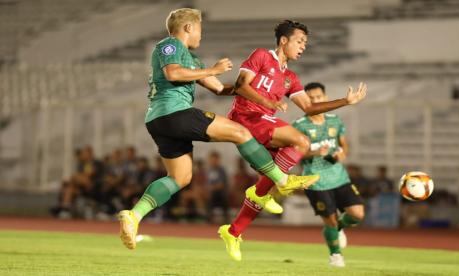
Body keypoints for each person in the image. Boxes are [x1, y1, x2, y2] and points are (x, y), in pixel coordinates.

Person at [117, 9, 317, 250]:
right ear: (189, 28)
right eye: (200, 29)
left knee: (180, 177)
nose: (202, 34)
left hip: (160, 122)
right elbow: (174, 73)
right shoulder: (170, 44)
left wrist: (248, 87)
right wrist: (213, 69)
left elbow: (220, 89)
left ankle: (134, 216)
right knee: (240, 132)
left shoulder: (193, 61)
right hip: (174, 112)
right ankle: (282, 180)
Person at [218, 20, 367, 261]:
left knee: (264, 185)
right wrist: (268, 102)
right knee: (301, 142)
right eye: (300, 41)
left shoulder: (290, 77)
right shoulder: (261, 56)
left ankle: (233, 231)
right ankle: (281, 183)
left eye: (305, 43)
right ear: (283, 40)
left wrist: (345, 101)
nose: (303, 47)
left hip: (263, 124)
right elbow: (240, 86)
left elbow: (308, 107)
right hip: (247, 118)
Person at [294, 82, 365, 267]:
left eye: (318, 97)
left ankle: (338, 228)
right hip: (316, 180)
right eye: (311, 98)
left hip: (339, 177)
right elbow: (295, 154)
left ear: (325, 98)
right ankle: (336, 256)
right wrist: (315, 152)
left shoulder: (335, 120)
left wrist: (342, 153)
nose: (315, 100)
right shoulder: (299, 126)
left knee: (357, 214)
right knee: (330, 220)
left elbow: (344, 144)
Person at [206, 151, 229, 223]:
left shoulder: (221, 171)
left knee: (214, 194)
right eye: (212, 160)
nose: (213, 162)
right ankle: (206, 217)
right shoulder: (208, 170)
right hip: (209, 192)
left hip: (220, 193)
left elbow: (221, 185)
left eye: (215, 160)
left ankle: (212, 217)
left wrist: (211, 188)